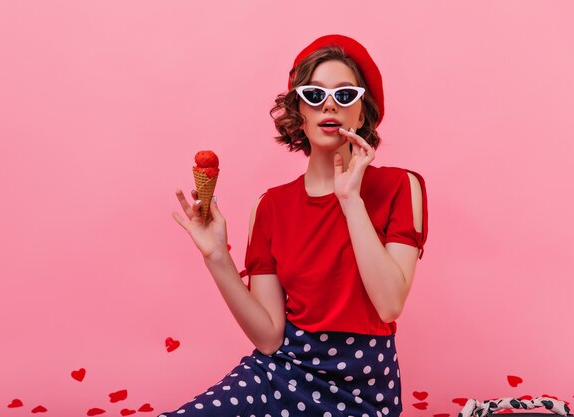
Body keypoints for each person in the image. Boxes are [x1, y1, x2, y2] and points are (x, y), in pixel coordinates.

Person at [166, 34, 428, 417]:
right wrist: (216, 256)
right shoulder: (270, 206)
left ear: (362, 113)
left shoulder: (401, 187)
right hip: (279, 375)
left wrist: (350, 200)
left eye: (344, 95)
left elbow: (389, 306)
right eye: (314, 94)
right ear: (298, 112)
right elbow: (270, 338)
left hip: (364, 391)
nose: (329, 105)